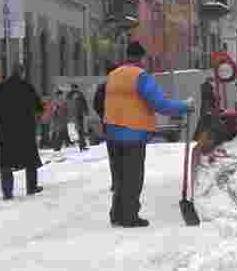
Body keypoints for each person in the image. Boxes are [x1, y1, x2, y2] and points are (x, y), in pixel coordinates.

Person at [104, 41, 195, 227]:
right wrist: (185, 106)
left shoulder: (113, 75)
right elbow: (160, 104)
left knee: (120, 176)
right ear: (141, 58)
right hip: (132, 134)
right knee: (133, 177)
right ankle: (129, 217)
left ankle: (117, 214)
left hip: (112, 133)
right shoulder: (140, 76)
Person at [0, 63, 44, 200]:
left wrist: (1, 119)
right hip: (25, 130)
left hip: (6, 131)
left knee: (6, 162)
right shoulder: (26, 87)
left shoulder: (0, 88)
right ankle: (31, 187)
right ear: (22, 72)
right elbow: (38, 105)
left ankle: (7, 192)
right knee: (30, 160)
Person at [93, 63, 118, 192]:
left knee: (113, 155)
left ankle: (116, 182)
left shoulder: (102, 87)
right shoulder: (122, 87)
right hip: (124, 125)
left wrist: (104, 116)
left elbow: (96, 105)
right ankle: (125, 181)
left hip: (109, 125)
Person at [66, 83, 90, 151]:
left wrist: (86, 111)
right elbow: (84, 103)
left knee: (78, 130)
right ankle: (82, 145)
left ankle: (81, 145)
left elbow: (84, 103)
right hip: (77, 115)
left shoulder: (69, 95)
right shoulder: (78, 94)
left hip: (73, 115)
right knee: (79, 130)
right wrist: (86, 111)